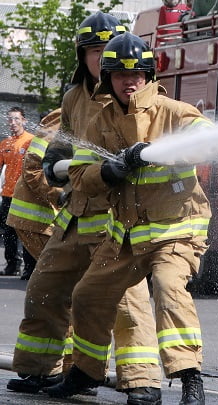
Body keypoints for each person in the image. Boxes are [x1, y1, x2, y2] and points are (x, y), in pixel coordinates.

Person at [46, 32, 213, 405]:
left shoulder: (173, 112)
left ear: (150, 74)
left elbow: (208, 138)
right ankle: (85, 372)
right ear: (107, 79)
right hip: (125, 235)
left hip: (175, 233)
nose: (130, 80)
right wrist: (109, 171)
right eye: (121, 75)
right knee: (87, 296)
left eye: (138, 72)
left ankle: (190, 378)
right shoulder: (100, 121)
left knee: (170, 290)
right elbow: (77, 175)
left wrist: (154, 152)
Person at [8, 13, 163, 405]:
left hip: (118, 217)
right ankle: (44, 370)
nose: (104, 56)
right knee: (45, 289)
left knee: (126, 302)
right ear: (84, 55)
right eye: (96, 50)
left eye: (109, 48)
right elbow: (63, 151)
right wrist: (53, 165)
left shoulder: (136, 95)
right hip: (76, 214)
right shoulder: (74, 98)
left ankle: (141, 382)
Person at [6, 109, 65, 280]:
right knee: (60, 278)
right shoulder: (65, 116)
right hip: (39, 217)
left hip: (58, 218)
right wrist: (60, 196)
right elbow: (33, 169)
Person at [0, 107, 35, 276]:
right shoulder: (5, 143)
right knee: (8, 233)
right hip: (7, 195)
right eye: (10, 120)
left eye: (16, 119)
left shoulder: (31, 141)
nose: (13, 123)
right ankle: (12, 265)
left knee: (26, 232)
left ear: (24, 120)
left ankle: (29, 268)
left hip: (25, 196)